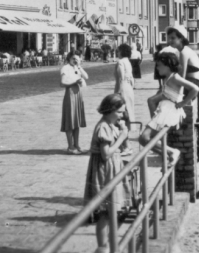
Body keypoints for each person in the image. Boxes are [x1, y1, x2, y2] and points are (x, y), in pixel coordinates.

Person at [83, 94, 131, 252]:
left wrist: (122, 132)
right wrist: (122, 137)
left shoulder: (111, 124)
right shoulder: (103, 126)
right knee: (105, 213)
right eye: (119, 112)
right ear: (109, 110)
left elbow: (120, 148)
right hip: (104, 172)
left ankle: (110, 246)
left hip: (111, 170)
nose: (122, 115)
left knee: (111, 212)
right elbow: (106, 154)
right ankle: (103, 247)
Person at [140, 52, 199, 165]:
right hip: (164, 109)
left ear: (168, 66)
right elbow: (165, 94)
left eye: (159, 65)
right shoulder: (168, 78)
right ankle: (167, 154)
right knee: (143, 140)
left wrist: (183, 103)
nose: (157, 68)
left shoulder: (175, 77)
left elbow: (195, 89)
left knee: (144, 137)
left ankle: (172, 152)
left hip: (169, 111)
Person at [60, 51, 89, 154]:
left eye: (77, 58)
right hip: (70, 94)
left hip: (78, 94)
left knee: (76, 121)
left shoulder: (77, 68)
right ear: (69, 59)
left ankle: (77, 145)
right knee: (70, 121)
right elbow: (62, 82)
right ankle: (70, 146)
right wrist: (74, 82)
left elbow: (86, 77)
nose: (75, 60)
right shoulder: (65, 68)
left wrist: (79, 66)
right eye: (73, 59)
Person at [166, 25, 199, 91]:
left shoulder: (184, 52)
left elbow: (182, 77)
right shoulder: (184, 50)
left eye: (173, 38)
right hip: (191, 84)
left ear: (181, 38)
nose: (170, 40)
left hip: (190, 86)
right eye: (169, 38)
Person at [114, 43, 135, 156]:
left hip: (123, 89)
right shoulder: (128, 61)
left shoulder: (120, 62)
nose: (117, 53)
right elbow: (131, 79)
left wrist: (118, 94)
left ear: (122, 52)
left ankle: (126, 146)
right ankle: (125, 145)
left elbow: (121, 79)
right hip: (129, 89)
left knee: (120, 117)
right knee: (127, 116)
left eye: (118, 51)